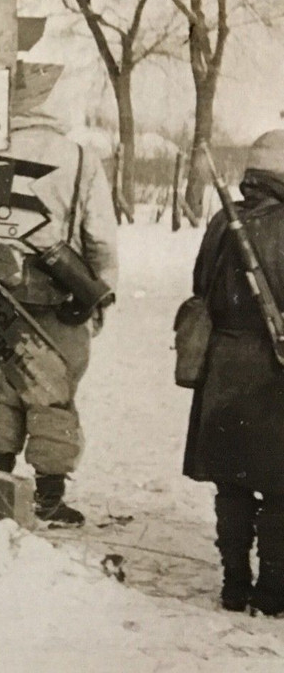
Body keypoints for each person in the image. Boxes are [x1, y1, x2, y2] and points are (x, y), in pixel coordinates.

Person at [0, 111, 118, 527]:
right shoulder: (80, 158)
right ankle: (49, 495)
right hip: (60, 298)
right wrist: (99, 293)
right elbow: (100, 237)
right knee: (53, 394)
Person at [184, 130, 284, 615]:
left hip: (225, 365)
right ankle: (273, 591)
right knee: (281, 486)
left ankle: (234, 583)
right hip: (275, 371)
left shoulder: (225, 221)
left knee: (233, 482)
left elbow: (202, 287)